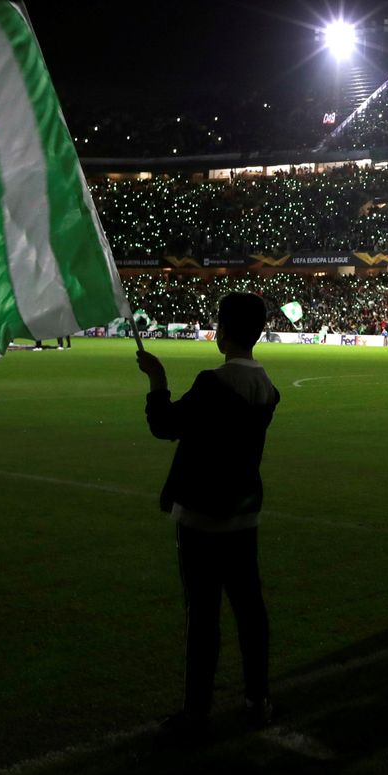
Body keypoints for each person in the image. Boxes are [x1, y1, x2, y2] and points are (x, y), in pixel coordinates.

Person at [136, 291, 280, 744]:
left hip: (202, 518)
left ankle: (196, 712)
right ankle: (258, 699)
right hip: (243, 516)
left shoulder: (214, 383)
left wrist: (157, 380)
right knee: (249, 612)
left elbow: (166, 426)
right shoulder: (266, 387)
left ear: (224, 331)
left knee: (203, 619)